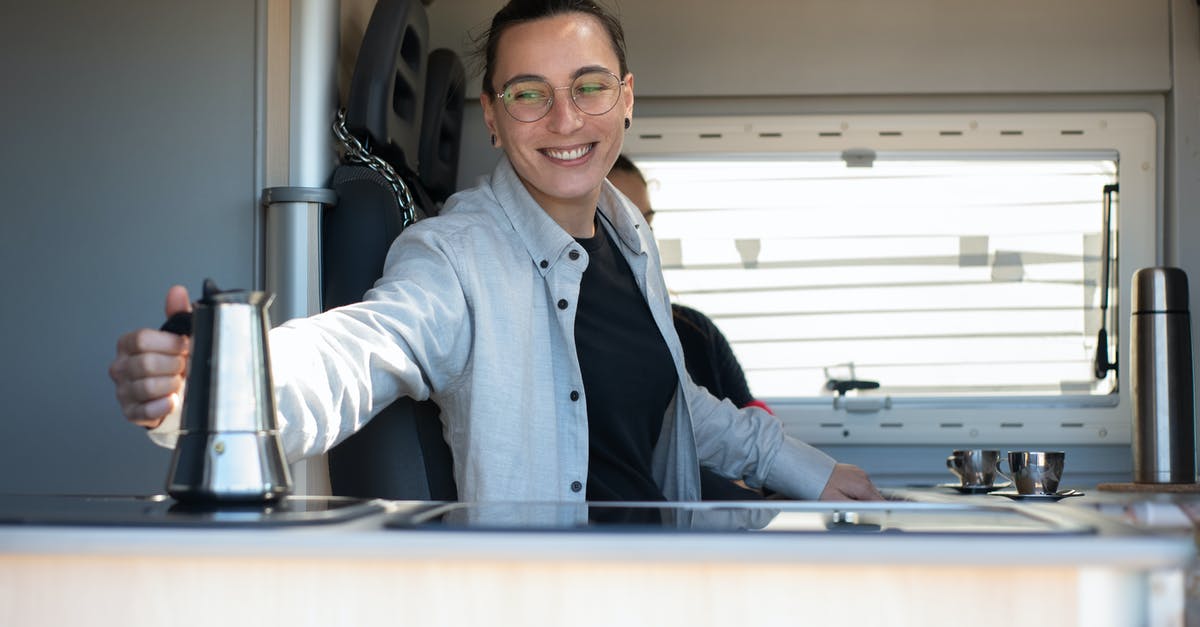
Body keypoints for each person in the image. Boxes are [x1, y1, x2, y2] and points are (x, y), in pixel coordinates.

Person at [109, 0, 881, 503]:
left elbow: (682, 402)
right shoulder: (457, 253)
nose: (563, 118)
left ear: (627, 98)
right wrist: (214, 388)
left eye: (589, 87)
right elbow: (362, 347)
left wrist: (816, 474)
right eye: (528, 93)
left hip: (657, 580)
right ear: (493, 114)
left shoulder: (627, 232)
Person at [608, 155, 773, 499]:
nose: (639, 240)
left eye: (646, 224)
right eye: (617, 224)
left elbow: (747, 418)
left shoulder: (695, 330)